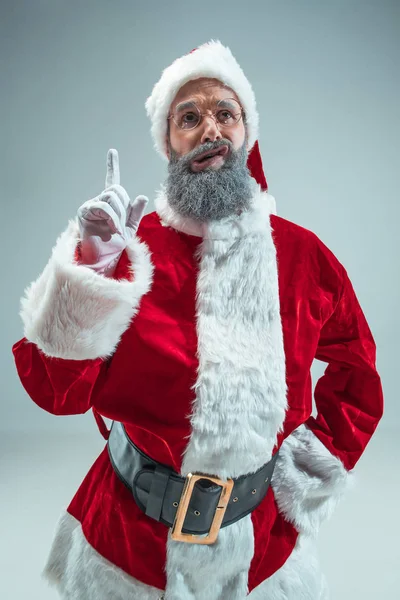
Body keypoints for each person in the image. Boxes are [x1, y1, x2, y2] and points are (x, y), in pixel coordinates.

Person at [12, 40, 384, 600]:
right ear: (169, 143)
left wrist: (311, 465)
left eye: (225, 114)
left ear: (246, 134)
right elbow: (55, 393)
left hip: (261, 549)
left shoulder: (305, 258)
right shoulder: (128, 255)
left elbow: (358, 373)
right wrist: (88, 269)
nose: (210, 129)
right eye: (189, 117)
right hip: (129, 546)